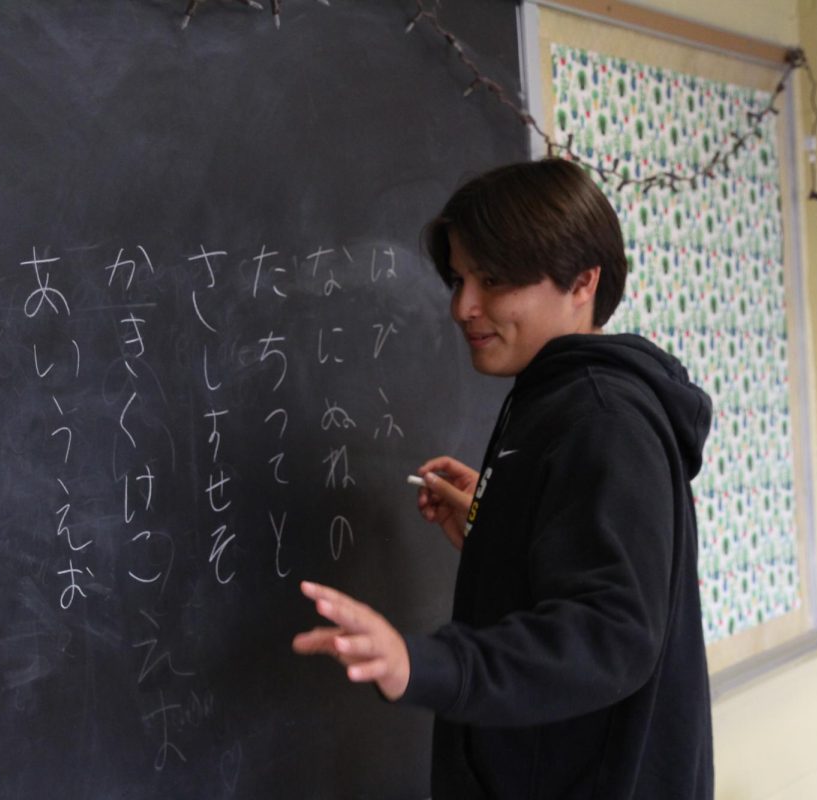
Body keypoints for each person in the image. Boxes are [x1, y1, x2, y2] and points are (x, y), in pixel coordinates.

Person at [292, 158, 714, 798]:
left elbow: (613, 632)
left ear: (582, 282)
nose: (464, 306)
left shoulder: (602, 418)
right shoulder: (556, 398)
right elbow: (586, 566)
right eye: (459, 278)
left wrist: (424, 665)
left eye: (493, 280)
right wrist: (501, 528)